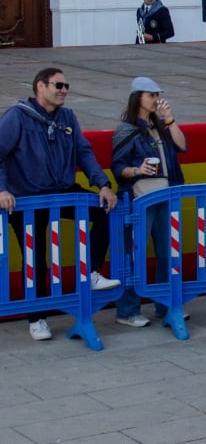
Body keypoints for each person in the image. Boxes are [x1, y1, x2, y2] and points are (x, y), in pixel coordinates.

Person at [0, 68, 120, 340]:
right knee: (36, 261)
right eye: (58, 85)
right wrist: (2, 189)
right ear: (40, 87)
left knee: (103, 211)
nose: (64, 89)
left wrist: (102, 184)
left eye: (66, 85)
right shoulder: (16, 117)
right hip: (27, 199)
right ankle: (37, 318)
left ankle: (90, 270)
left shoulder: (68, 117)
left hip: (62, 192)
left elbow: (83, 151)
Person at [109, 76, 188, 326]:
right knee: (134, 254)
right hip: (139, 197)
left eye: (157, 95)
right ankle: (128, 309)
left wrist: (169, 118)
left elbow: (182, 146)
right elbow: (117, 167)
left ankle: (165, 306)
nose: (156, 100)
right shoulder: (126, 129)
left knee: (167, 252)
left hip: (165, 194)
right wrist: (137, 170)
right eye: (151, 95)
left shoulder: (159, 126)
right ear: (138, 98)